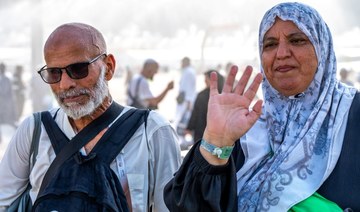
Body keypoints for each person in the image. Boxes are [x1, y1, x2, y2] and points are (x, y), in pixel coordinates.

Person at [164, 2, 359, 211]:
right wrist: (216, 141)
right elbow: (189, 206)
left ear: (322, 48)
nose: (282, 53)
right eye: (270, 44)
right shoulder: (247, 127)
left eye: (297, 40)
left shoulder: (351, 115)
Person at [0, 22, 182, 211]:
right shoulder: (34, 131)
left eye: (78, 69)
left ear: (109, 67)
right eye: (54, 73)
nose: (65, 84)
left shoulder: (151, 131)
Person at [186, 70, 224, 143]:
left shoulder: (202, 95)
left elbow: (195, 113)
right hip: (215, 134)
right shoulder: (223, 95)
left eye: (206, 79)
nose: (205, 81)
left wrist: (189, 128)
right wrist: (189, 128)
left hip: (202, 134)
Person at [174, 57, 197, 147]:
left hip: (186, 101)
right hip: (183, 100)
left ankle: (183, 140)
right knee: (181, 120)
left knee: (184, 121)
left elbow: (189, 89)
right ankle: (181, 140)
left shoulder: (189, 72)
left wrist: (189, 101)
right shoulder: (187, 72)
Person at [0, 62, 17, 143]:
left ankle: (18, 135)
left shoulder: (6, 80)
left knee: (10, 122)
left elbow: (5, 92)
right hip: (3, 105)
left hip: (6, 106)